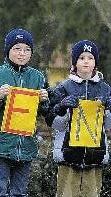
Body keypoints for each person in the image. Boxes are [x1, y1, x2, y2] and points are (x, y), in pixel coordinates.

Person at [0, 28, 49, 197]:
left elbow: (45, 113)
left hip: (27, 146)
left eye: (27, 50)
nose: (22, 54)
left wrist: (45, 100)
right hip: (0, 146)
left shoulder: (38, 77)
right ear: (8, 50)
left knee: (20, 193)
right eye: (17, 48)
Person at [51, 40, 111, 197]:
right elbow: (55, 124)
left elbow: (108, 125)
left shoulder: (105, 89)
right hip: (68, 155)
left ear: (95, 62)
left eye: (90, 58)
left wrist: (109, 109)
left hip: (95, 155)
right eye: (81, 58)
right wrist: (62, 107)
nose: (86, 61)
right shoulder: (63, 87)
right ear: (74, 62)